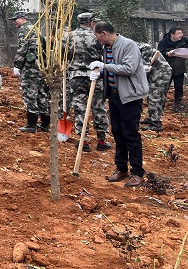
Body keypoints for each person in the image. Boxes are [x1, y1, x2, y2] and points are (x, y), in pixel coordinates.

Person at [90, 21, 148, 188]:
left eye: (97, 36)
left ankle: (137, 173)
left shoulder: (129, 45)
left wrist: (104, 66)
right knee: (117, 132)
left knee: (130, 133)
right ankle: (121, 168)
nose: (97, 39)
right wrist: (100, 73)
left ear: (104, 33)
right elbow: (112, 69)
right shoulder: (106, 48)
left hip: (130, 96)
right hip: (114, 96)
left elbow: (128, 69)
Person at [65, 12, 110, 152]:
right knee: (98, 106)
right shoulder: (97, 36)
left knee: (79, 107)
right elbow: (105, 52)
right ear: (91, 23)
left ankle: (83, 141)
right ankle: (101, 140)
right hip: (95, 74)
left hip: (76, 76)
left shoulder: (69, 36)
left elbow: (63, 55)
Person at [9, 11, 50, 133]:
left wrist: (17, 65)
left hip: (30, 68)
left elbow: (23, 48)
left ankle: (31, 125)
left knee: (29, 94)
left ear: (23, 19)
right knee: (41, 94)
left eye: (15, 19)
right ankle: (45, 124)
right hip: (40, 67)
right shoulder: (36, 29)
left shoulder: (24, 30)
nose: (14, 22)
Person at [138, 41, 172, 132]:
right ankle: (151, 117)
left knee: (155, 96)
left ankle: (156, 123)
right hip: (153, 73)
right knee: (150, 96)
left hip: (161, 73)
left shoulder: (143, 47)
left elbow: (144, 65)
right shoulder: (134, 48)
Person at [157, 26, 188, 112]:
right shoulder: (164, 42)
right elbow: (158, 53)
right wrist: (167, 54)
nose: (181, 35)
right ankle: (160, 106)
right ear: (172, 35)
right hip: (167, 69)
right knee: (164, 88)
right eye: (178, 34)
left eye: (181, 33)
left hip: (180, 68)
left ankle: (178, 105)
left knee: (179, 88)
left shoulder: (184, 40)